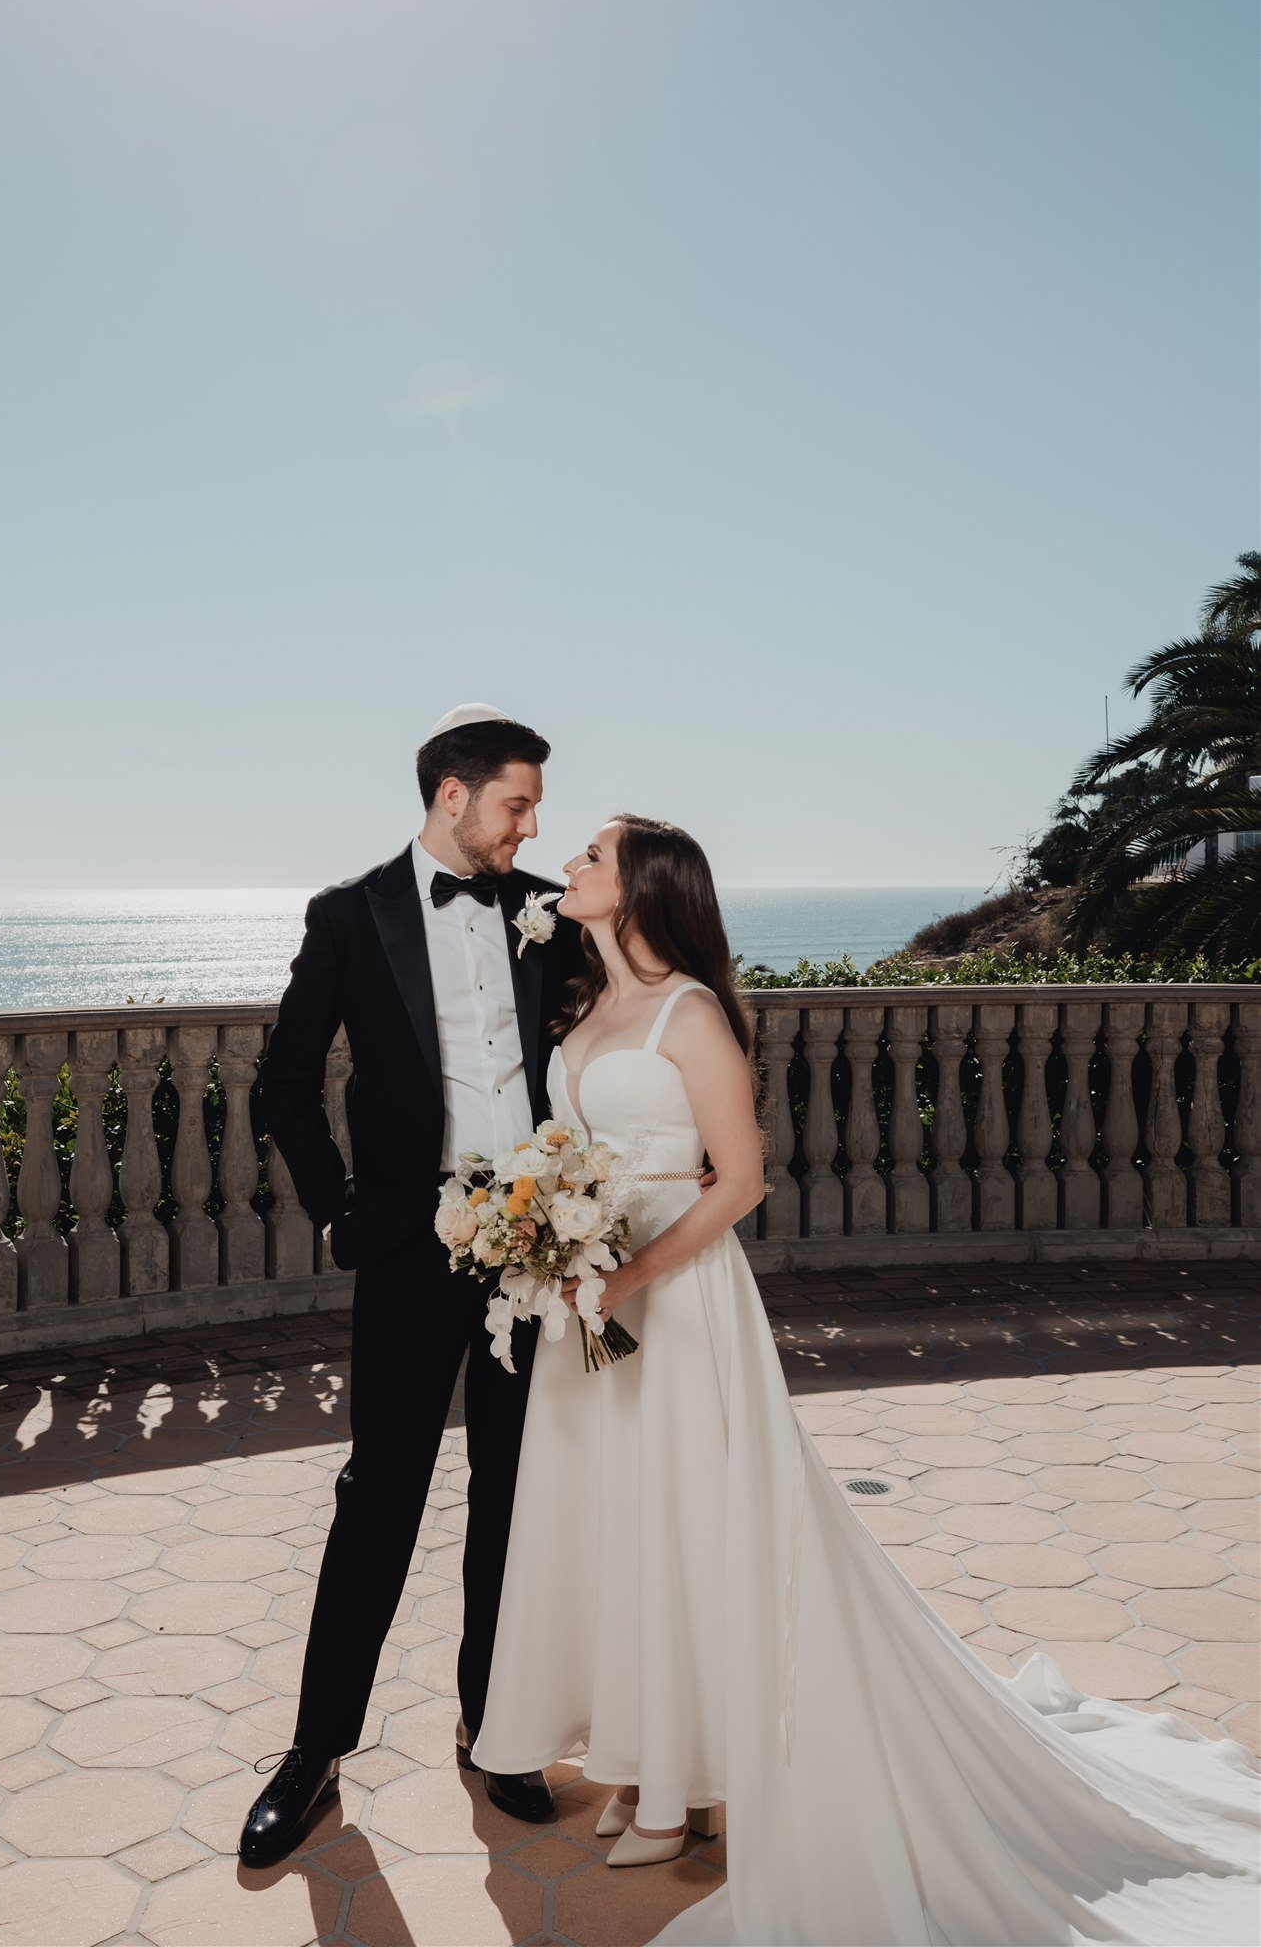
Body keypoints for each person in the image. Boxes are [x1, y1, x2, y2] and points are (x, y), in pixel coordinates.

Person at [471, 812, 1260, 1943]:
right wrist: (551, 1241)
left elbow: (740, 1179)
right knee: (624, 1526)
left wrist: (632, 1267)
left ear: (644, 883)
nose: (575, 865)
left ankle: (685, 1783)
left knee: (698, 1525)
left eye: (595, 852)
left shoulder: (692, 1012)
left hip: (679, 1303)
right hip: (592, 1307)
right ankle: (654, 1765)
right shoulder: (585, 1007)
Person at [238, 704, 585, 1867]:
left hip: (537, 1244)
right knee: (378, 1495)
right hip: (409, 1246)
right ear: (452, 794)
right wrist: (343, 1210)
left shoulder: (548, 913)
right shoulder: (350, 915)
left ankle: (495, 1728)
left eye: (532, 806)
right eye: (516, 802)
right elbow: (282, 1082)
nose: (529, 824)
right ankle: (314, 1750)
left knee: (512, 1492)